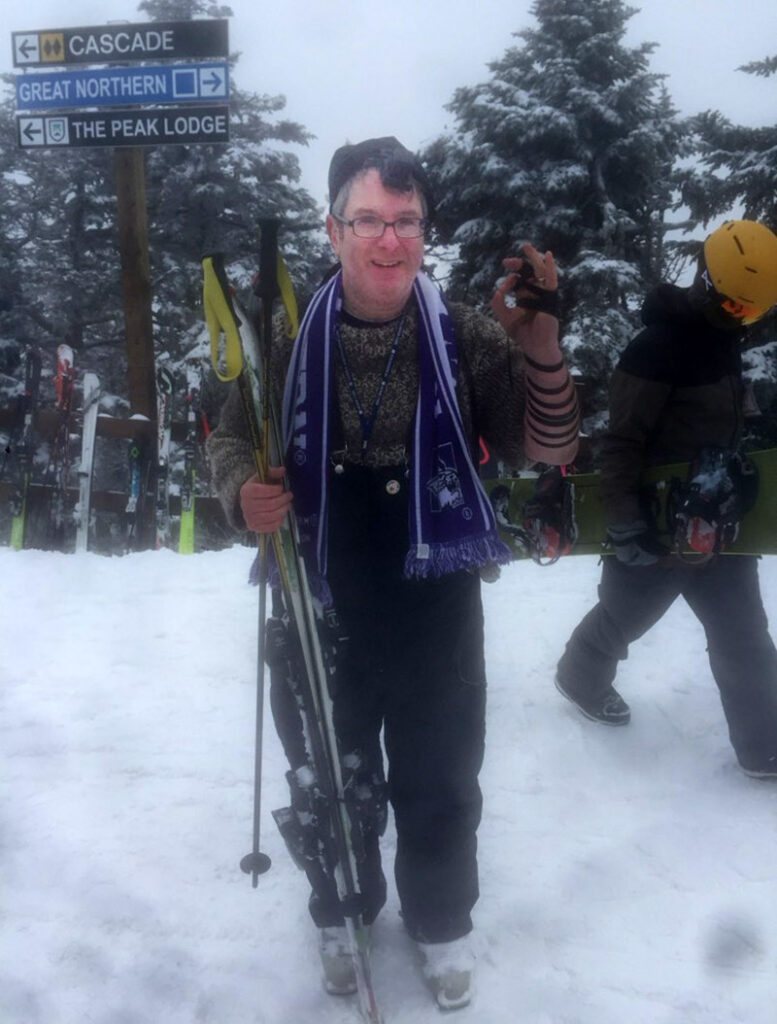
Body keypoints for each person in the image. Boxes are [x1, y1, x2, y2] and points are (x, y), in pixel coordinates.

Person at [207, 136, 579, 1009]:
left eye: (405, 221)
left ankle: (441, 919)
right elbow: (229, 438)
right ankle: (341, 909)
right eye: (368, 219)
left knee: (439, 765)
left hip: (431, 582)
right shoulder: (284, 332)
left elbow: (544, 447)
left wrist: (540, 344)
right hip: (320, 579)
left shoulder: (465, 334)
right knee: (326, 766)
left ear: (424, 230)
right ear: (332, 228)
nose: (388, 240)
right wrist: (240, 491)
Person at [555, 219, 777, 779]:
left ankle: (766, 747)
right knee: (626, 614)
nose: (742, 320)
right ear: (706, 279)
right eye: (735, 307)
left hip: (715, 511)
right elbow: (621, 440)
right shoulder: (655, 349)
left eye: (753, 312)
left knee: (743, 632)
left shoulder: (723, 338)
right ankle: (579, 676)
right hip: (656, 517)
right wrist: (626, 523)